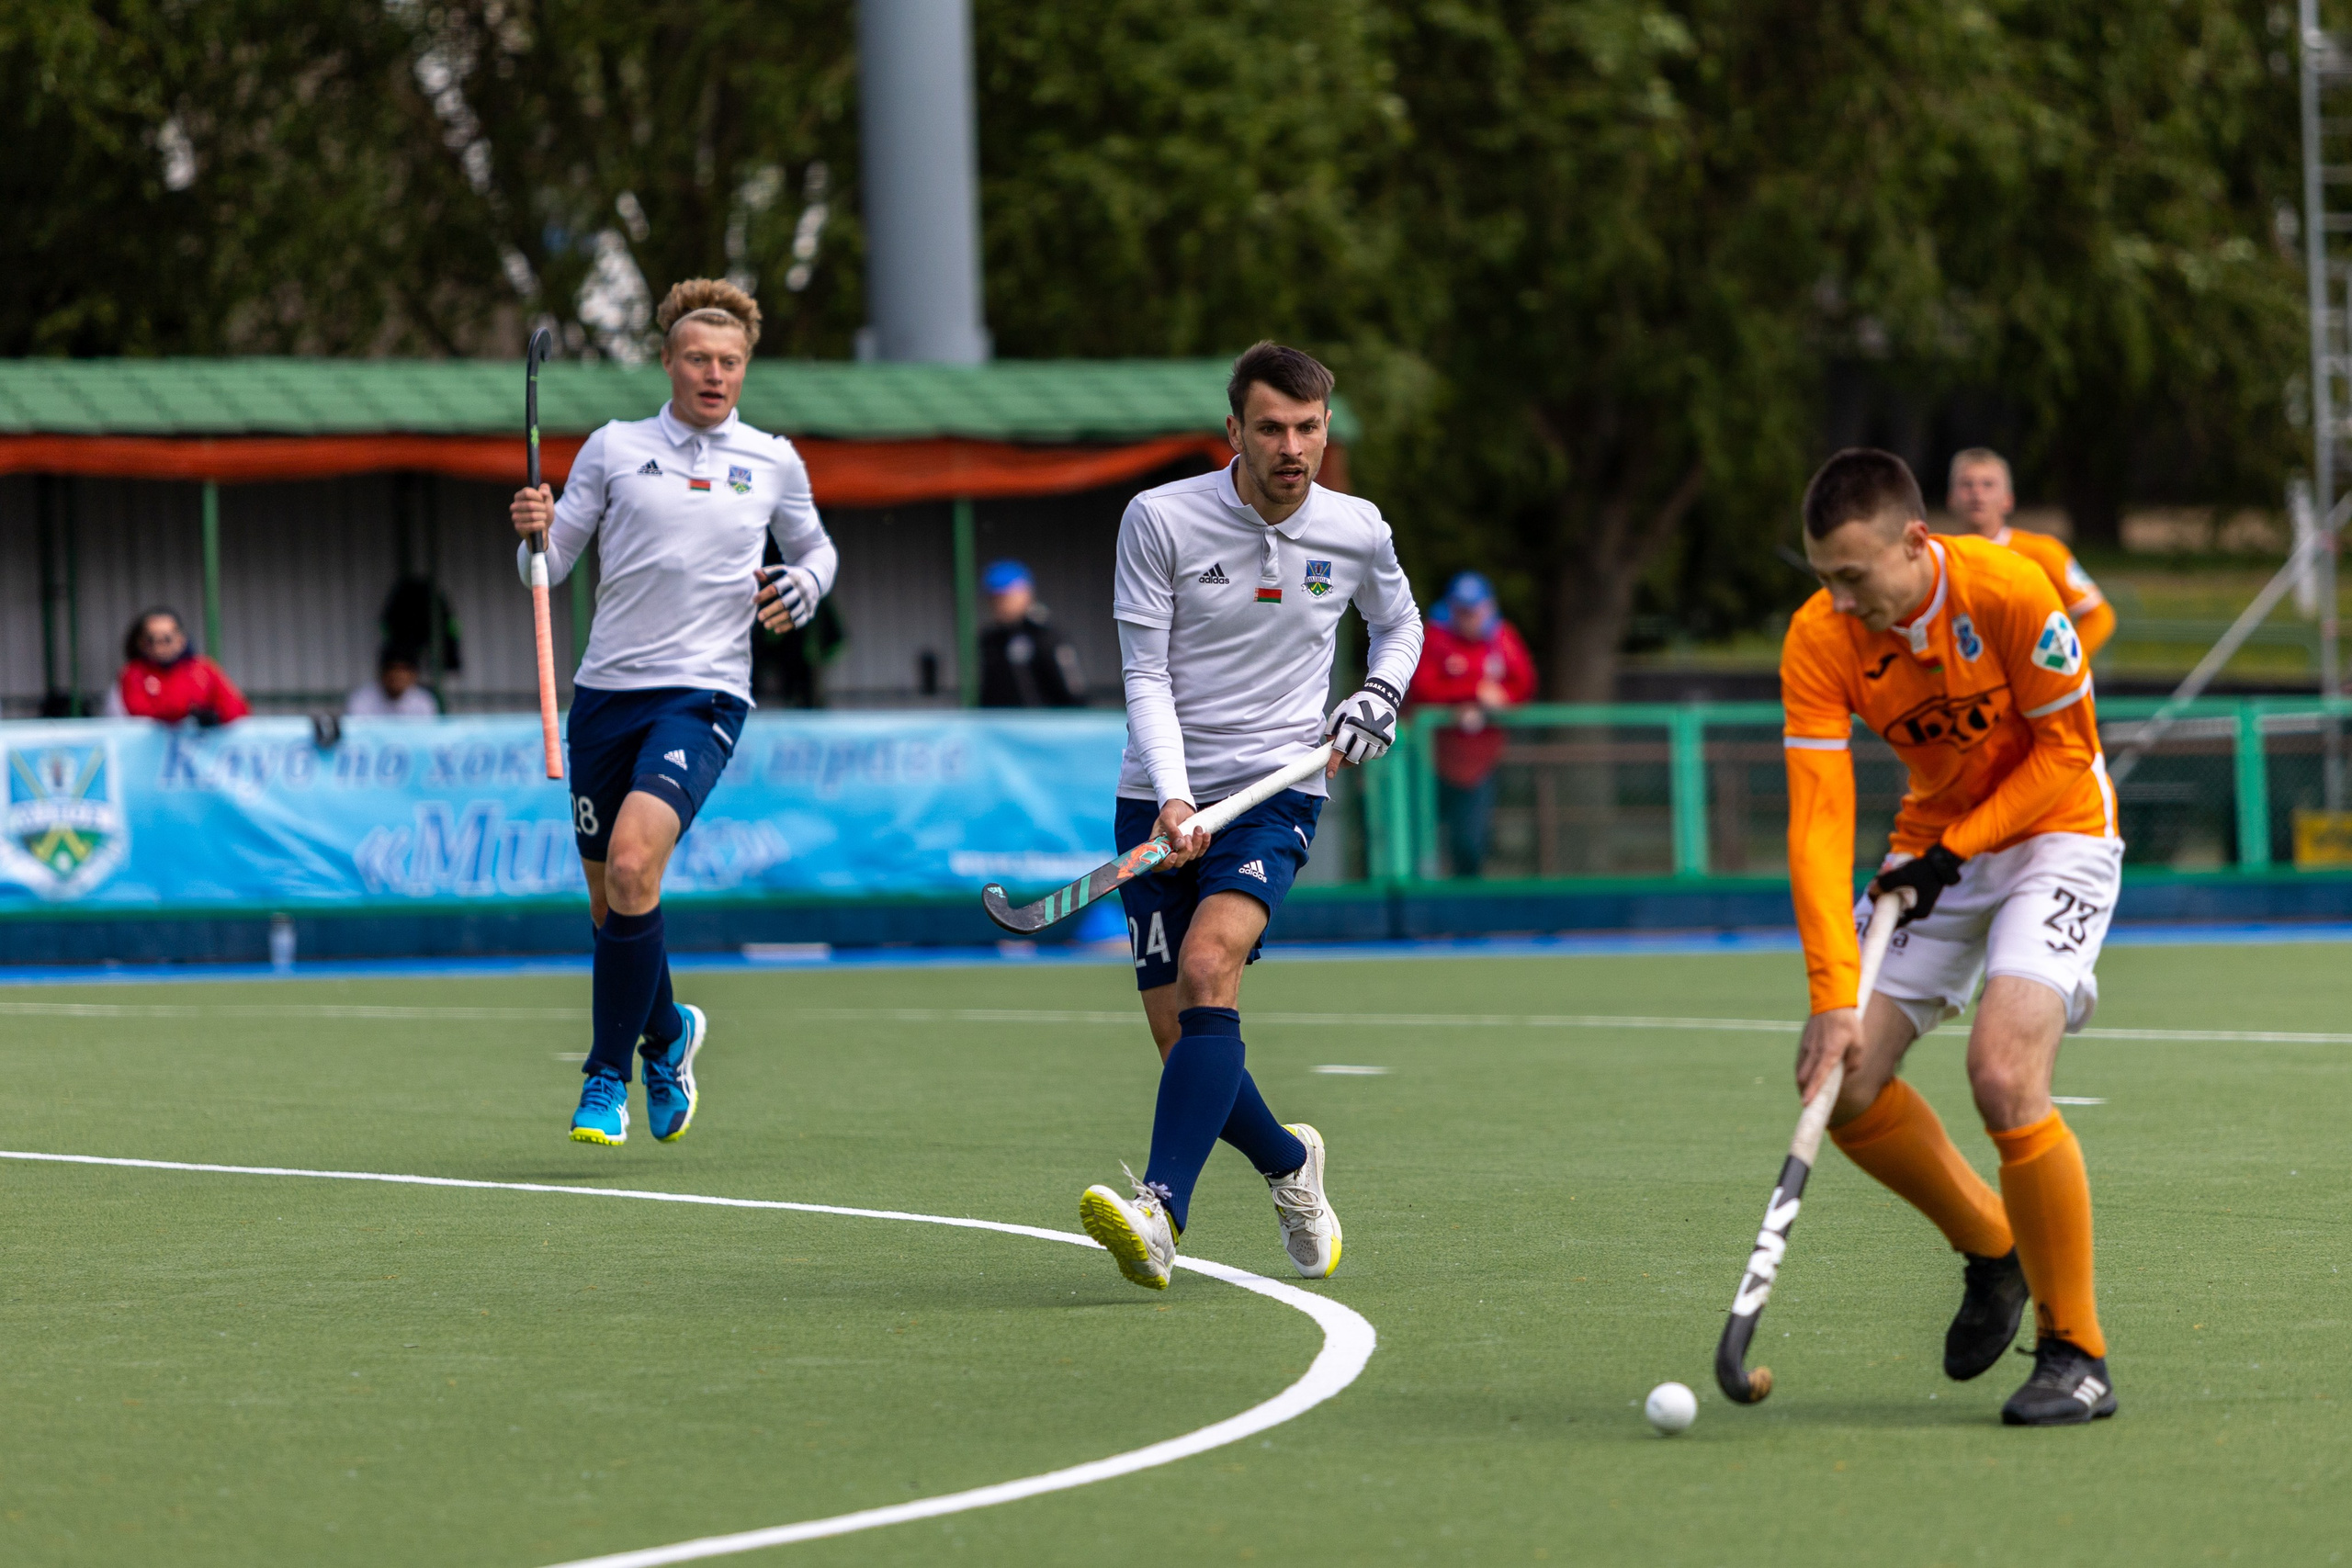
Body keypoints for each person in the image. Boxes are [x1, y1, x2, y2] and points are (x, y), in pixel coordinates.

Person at [1783, 448, 2121, 1426]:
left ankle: (2076, 1352)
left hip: (2058, 831)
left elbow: (2067, 756)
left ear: (1915, 543)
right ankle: (1991, 1248)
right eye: (1823, 580)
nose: (1843, 603)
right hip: (1935, 847)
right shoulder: (1820, 638)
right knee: (1838, 1085)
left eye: (1855, 576)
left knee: (2004, 1075)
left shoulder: (2011, 590)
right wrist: (1828, 994)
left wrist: (1954, 849)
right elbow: (1815, 821)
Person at [1078, 342, 1423, 1290]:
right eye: (1270, 427)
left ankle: (1158, 1213)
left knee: (1206, 967)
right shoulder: (1159, 520)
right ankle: (1287, 1164)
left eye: (1308, 428)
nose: (1291, 447)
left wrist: (1379, 694)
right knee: (1181, 1034)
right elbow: (1144, 672)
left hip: (1277, 792)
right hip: (1159, 791)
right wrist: (1175, 796)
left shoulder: (1356, 529)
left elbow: (1400, 624)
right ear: (1232, 431)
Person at [509, 277, 838, 1147]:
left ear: (745, 369)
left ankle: (606, 1076)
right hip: (605, 697)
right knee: (613, 902)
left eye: (730, 361)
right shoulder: (614, 448)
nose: (715, 373)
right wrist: (533, 532)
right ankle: (669, 1032)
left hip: (704, 695)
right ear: (667, 361)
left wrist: (803, 585)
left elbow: (817, 550)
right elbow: (547, 564)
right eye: (698, 357)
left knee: (629, 867)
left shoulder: (773, 459)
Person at [1406, 571, 1537, 876]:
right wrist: (1472, 691)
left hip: (1477, 764)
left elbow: (1524, 685)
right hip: (1427, 760)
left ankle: (1466, 919)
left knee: (1470, 845)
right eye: (1462, 610)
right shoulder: (1435, 637)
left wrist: (1500, 699)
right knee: (1418, 843)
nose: (1470, 617)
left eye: (1475, 609)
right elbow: (1423, 689)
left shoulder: (1502, 637)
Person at [1947, 448, 2116, 659]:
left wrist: (2063, 665)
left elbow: (2099, 615)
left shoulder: (2042, 552)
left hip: (2033, 683)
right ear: (1950, 498)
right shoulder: (1938, 558)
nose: (1977, 493)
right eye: (1967, 484)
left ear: (2008, 500)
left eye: (1988, 484)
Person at [103, 608, 249, 724]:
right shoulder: (133, 673)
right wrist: (185, 712)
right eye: (151, 640)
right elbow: (138, 711)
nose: (159, 647)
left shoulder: (203, 669)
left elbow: (237, 707)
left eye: (167, 639)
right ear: (142, 643)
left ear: (181, 639)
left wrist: (216, 716)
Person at [977, 558, 1086, 707]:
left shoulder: (1046, 635)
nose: (998, 605)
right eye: (993, 599)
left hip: (1045, 726)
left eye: (1004, 598)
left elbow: (1073, 691)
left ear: (1025, 594)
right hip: (1001, 725)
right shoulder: (992, 640)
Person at [345, 649, 440, 717]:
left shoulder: (423, 702)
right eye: (393, 668)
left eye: (404, 669)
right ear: (382, 672)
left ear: (414, 675)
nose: (398, 675)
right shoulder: (361, 700)